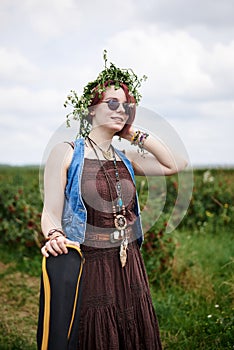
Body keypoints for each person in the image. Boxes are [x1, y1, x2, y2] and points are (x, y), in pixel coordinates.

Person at [37, 51, 187, 350]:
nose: (121, 109)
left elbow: (176, 164)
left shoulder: (126, 156)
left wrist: (133, 134)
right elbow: (50, 213)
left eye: (127, 106)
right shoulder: (66, 153)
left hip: (129, 260)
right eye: (113, 103)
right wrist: (53, 234)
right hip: (91, 263)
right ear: (92, 109)